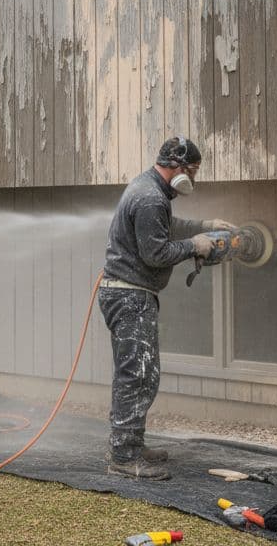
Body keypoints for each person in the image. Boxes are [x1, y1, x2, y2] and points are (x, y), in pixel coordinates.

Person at [100, 135, 235, 481]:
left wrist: (204, 227)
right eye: (194, 171)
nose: (194, 178)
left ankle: (131, 444)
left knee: (142, 374)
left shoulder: (153, 191)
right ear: (179, 168)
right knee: (139, 375)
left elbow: (165, 228)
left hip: (132, 294)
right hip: (130, 297)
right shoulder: (149, 198)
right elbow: (155, 253)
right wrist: (195, 246)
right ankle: (124, 456)